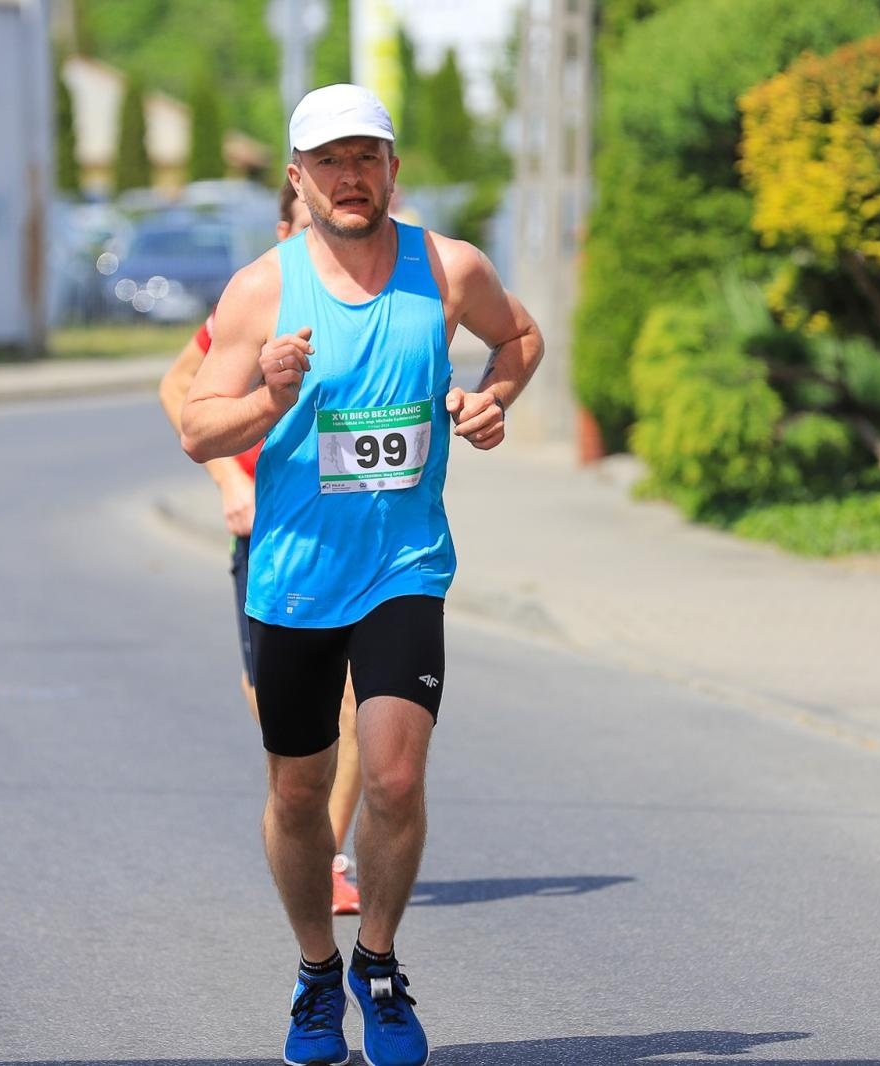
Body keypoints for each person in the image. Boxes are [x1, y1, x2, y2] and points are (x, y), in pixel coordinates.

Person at [180, 83, 543, 1066]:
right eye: (328, 161)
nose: (350, 177)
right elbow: (194, 425)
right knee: (299, 795)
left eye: (366, 157)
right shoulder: (263, 290)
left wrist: (490, 399)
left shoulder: (447, 267)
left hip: (404, 568)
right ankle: (313, 971)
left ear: (392, 168)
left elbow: (519, 337)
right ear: (297, 179)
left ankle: (376, 964)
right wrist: (267, 396)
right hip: (294, 575)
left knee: (391, 771)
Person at [157, 183, 362, 917]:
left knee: (357, 705)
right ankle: (304, 815)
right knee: (280, 709)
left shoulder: (372, 284)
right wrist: (224, 481)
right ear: (286, 226)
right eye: (311, 226)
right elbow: (178, 386)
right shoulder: (259, 296)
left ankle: (329, 856)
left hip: (354, 525)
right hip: (268, 526)